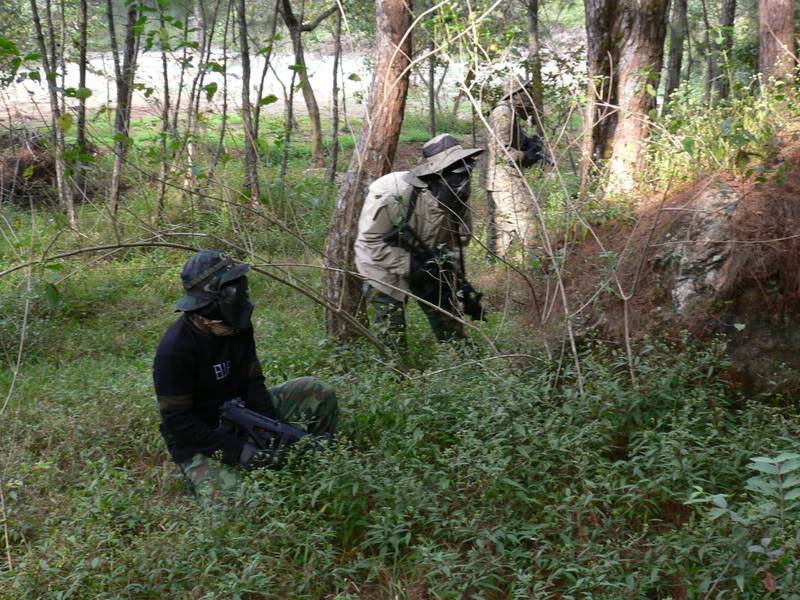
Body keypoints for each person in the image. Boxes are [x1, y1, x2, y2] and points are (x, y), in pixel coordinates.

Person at [153, 250, 338, 500]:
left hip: (241, 416)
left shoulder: (237, 326)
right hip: (200, 438)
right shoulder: (174, 350)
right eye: (237, 289)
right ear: (214, 297)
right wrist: (240, 452)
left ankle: (314, 462)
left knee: (317, 391)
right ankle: (200, 476)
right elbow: (180, 424)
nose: (244, 295)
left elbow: (252, 383)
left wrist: (272, 430)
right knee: (239, 501)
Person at [354, 133, 485, 352]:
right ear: (436, 174)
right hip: (380, 264)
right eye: (456, 173)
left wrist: (457, 286)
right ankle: (396, 374)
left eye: (467, 171)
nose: (464, 181)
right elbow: (371, 240)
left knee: (449, 322)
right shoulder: (392, 192)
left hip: (428, 260)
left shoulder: (458, 202)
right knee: (390, 330)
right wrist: (411, 267)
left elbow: (456, 245)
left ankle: (464, 362)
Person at [485, 78, 550, 259]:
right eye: (527, 95)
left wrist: (531, 145)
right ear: (517, 95)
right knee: (527, 220)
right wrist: (526, 156)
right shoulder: (504, 113)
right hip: (504, 180)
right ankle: (540, 268)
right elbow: (501, 152)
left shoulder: (509, 113)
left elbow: (515, 142)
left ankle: (495, 273)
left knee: (502, 230)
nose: (530, 101)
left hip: (501, 179)